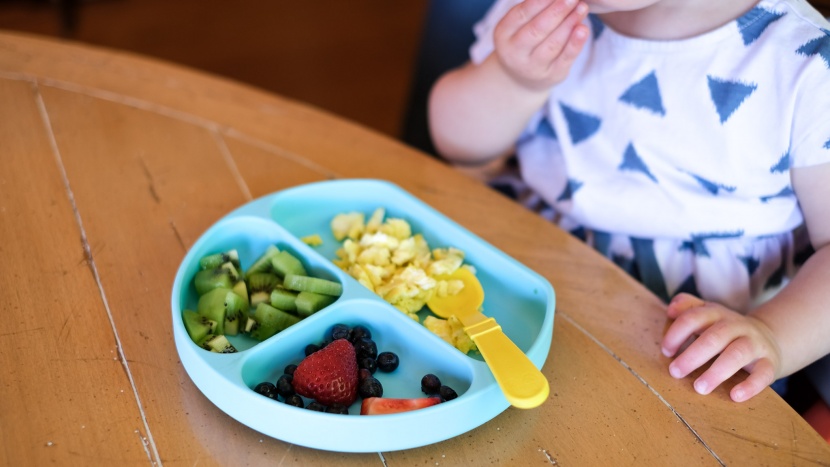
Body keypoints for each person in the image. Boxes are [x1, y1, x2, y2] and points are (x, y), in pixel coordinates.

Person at [427, 0, 830, 416]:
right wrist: (513, 81)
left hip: (691, 351)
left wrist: (773, 335)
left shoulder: (806, 63)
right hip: (523, 279)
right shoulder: (544, 11)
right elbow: (458, 146)